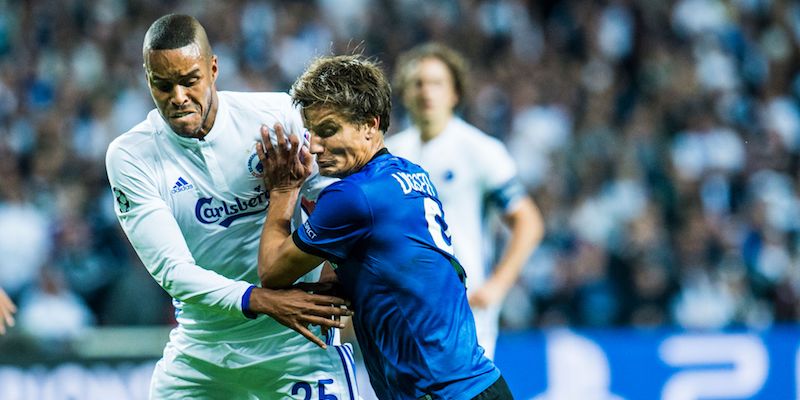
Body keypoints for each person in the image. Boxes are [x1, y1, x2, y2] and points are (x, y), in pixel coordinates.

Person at [105, 14, 359, 399]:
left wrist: (338, 265)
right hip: (203, 349)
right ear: (147, 79)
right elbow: (172, 270)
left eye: (190, 80)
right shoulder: (132, 155)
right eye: (163, 84)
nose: (178, 97)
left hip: (297, 342)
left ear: (213, 68)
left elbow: (338, 198)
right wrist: (262, 299)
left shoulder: (276, 117)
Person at [257, 54, 514, 399]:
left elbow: (272, 271)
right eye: (311, 132)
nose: (315, 146)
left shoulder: (354, 196)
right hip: (480, 382)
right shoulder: (412, 172)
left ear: (369, 124)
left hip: (438, 392)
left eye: (329, 130)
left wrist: (283, 189)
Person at [387, 43, 544, 359]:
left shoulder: (480, 150)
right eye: (418, 83)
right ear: (404, 93)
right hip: (404, 311)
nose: (426, 91)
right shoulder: (390, 155)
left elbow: (528, 221)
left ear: (455, 93)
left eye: (436, 83)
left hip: (465, 311)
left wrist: (497, 286)